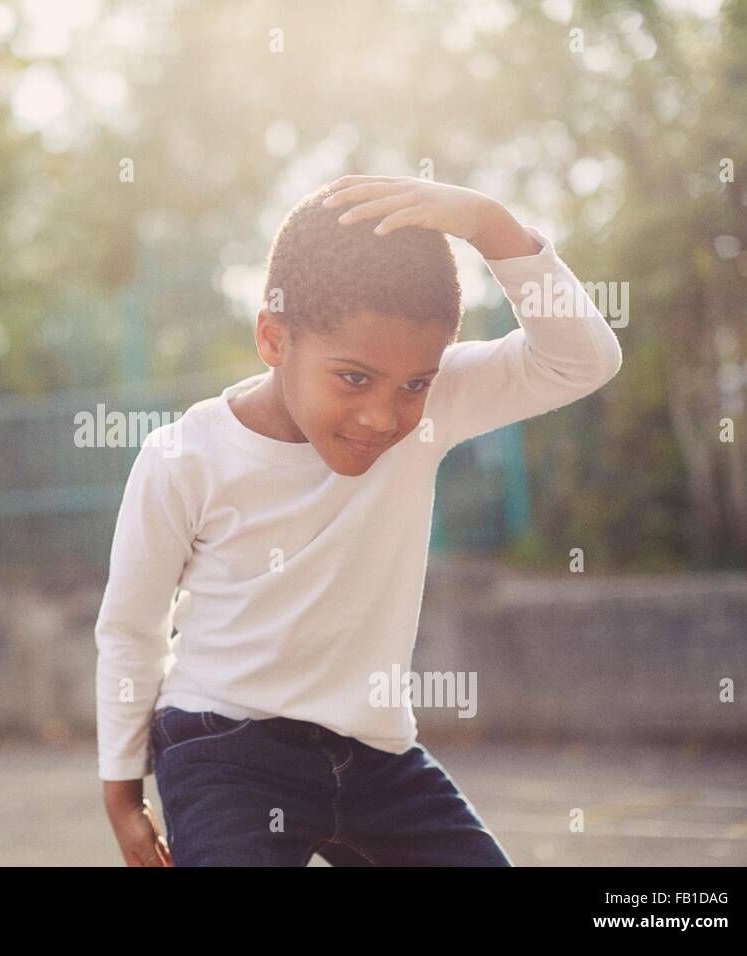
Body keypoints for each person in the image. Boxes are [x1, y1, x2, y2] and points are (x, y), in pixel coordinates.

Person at [96, 174, 624, 866]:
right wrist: (122, 796)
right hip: (225, 754)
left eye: (415, 384)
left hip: (376, 756)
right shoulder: (184, 459)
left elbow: (582, 360)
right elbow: (131, 631)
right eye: (353, 378)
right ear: (273, 337)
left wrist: (492, 226)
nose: (384, 416)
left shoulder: (434, 411)